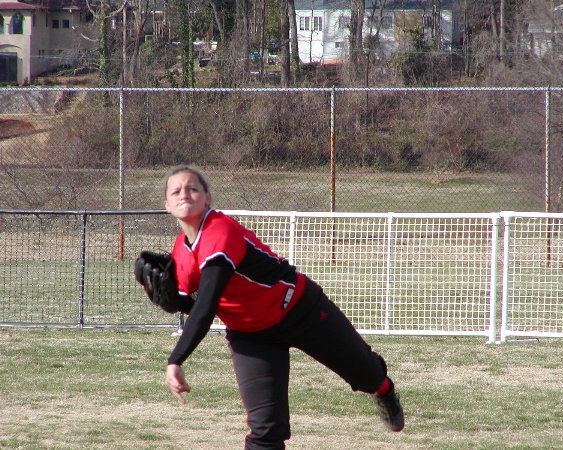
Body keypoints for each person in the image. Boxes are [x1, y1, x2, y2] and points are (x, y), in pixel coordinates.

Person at [159, 165, 404, 449]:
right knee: (265, 429)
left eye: (192, 188)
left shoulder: (220, 230)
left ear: (207, 198)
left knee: (367, 375)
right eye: (176, 191)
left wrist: (176, 359)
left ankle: (384, 390)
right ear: (167, 205)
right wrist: (166, 298)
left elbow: (206, 306)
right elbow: (192, 306)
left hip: (301, 310)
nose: (184, 194)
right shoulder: (181, 251)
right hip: (251, 336)